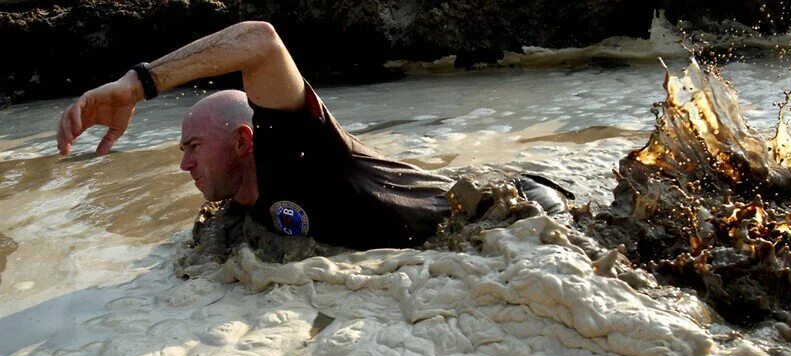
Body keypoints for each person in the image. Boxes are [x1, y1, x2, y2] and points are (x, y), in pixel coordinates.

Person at [57, 21, 567, 250]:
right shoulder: (237, 204)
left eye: (192, 148)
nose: (184, 165)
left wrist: (137, 84)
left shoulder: (301, 149)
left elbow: (259, 41)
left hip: (520, 210)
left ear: (243, 140)